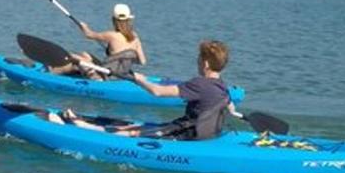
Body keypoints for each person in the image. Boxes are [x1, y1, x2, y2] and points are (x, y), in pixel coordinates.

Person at [54, 40, 233, 141]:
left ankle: (83, 127)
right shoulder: (222, 86)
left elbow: (158, 92)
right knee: (139, 125)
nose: (197, 61)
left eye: (199, 58)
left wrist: (140, 81)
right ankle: (87, 123)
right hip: (203, 132)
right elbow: (230, 107)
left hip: (188, 133)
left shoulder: (199, 84)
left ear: (206, 64)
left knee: (133, 132)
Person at [50, 3, 146, 79]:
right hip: (121, 75)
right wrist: (124, 60)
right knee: (85, 55)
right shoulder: (135, 37)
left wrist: (83, 27)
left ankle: (51, 73)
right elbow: (142, 62)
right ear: (129, 20)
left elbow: (89, 34)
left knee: (73, 57)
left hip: (104, 78)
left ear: (113, 20)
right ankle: (62, 70)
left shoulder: (111, 35)